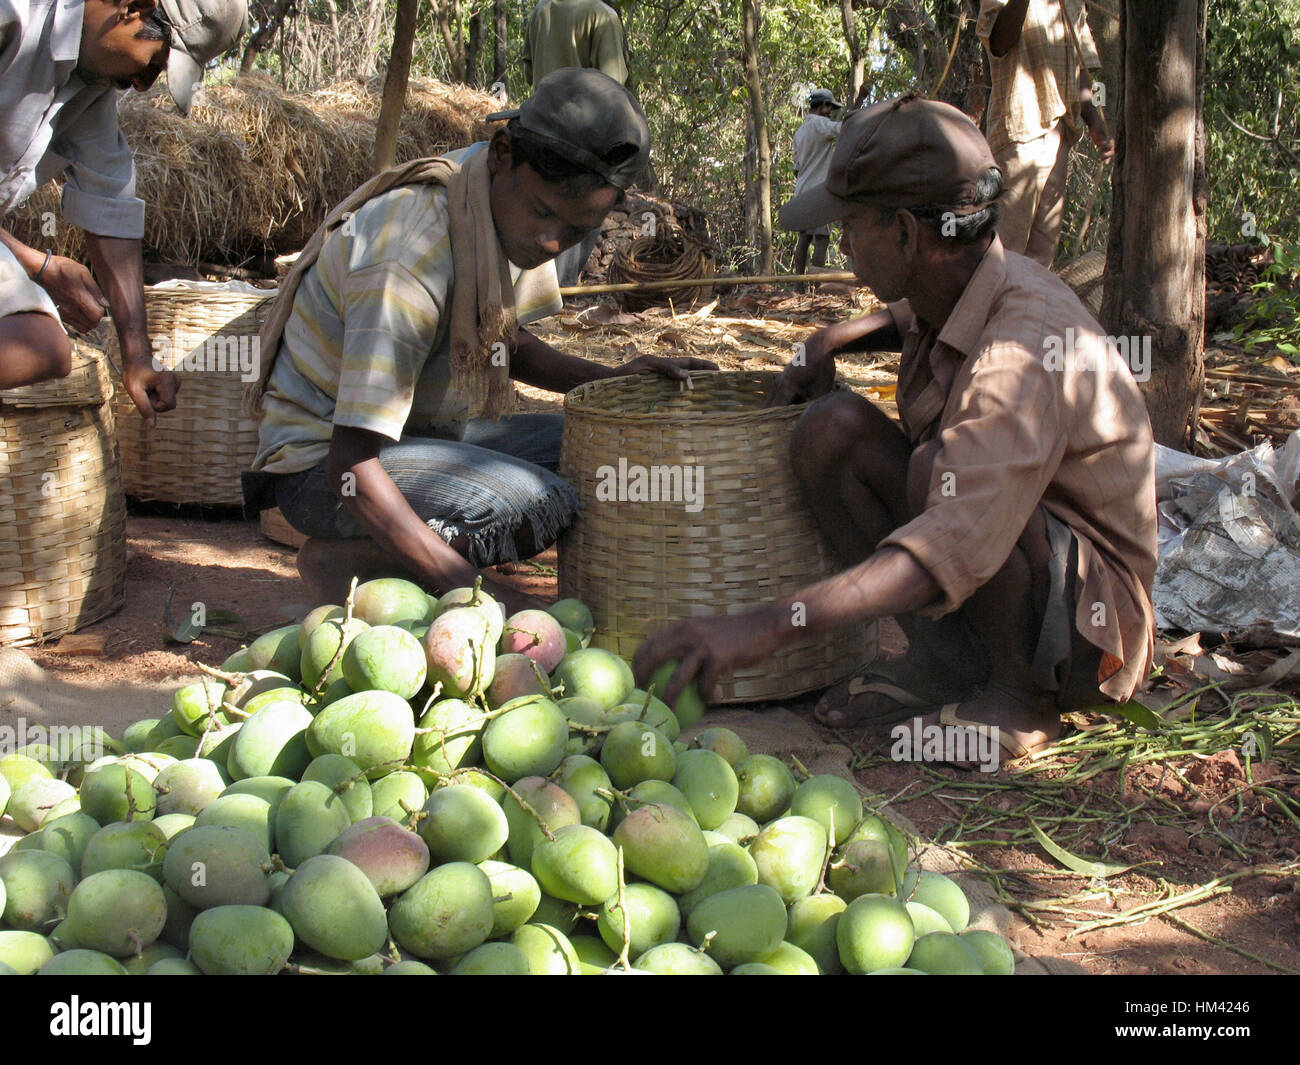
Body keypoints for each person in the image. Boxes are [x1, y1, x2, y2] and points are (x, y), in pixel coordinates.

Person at [635, 95, 1156, 765]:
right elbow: (905, 316)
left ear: (908, 235)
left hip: (1087, 625)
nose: (843, 242)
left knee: (937, 468)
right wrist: (828, 340)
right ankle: (943, 665)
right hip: (1012, 564)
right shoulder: (960, 281)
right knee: (832, 430)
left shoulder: (1024, 346)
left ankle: (1021, 699)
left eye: (852, 225)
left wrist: (764, 626)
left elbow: (954, 533)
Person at [242, 69, 713, 614]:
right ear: (502, 152)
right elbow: (350, 467)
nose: (551, 241)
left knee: (599, 450)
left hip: (422, 438)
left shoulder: (491, 203)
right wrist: (484, 600)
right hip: (321, 468)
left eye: (578, 231)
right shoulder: (410, 253)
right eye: (542, 213)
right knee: (534, 503)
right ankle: (352, 564)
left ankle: (381, 556)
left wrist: (610, 380)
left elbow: (501, 343)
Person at [0, 0, 248, 408]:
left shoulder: (90, 88)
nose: (143, 85)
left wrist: (138, 355)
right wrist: (38, 265)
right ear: (134, 7)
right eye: (155, 62)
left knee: (43, 346)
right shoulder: (16, 15)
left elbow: (110, 203)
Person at [977, 0, 1114, 266]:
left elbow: (1082, 70)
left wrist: (1096, 124)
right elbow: (999, 43)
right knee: (1004, 251)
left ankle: (1028, 307)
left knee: (1040, 258)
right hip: (1019, 129)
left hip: (1059, 133)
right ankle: (991, 306)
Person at [522, 0, 631, 288]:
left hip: (539, 130)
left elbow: (529, 75)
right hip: (585, 136)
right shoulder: (603, 17)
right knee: (582, 214)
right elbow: (613, 84)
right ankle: (561, 291)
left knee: (544, 210)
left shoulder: (539, 13)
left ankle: (539, 294)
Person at [791, 87, 843, 278]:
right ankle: (816, 285)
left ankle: (798, 285)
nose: (831, 112)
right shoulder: (820, 125)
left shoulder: (799, 132)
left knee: (804, 239)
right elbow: (843, 129)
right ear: (821, 105)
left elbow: (796, 167)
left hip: (802, 191)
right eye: (829, 107)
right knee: (822, 238)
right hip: (819, 193)